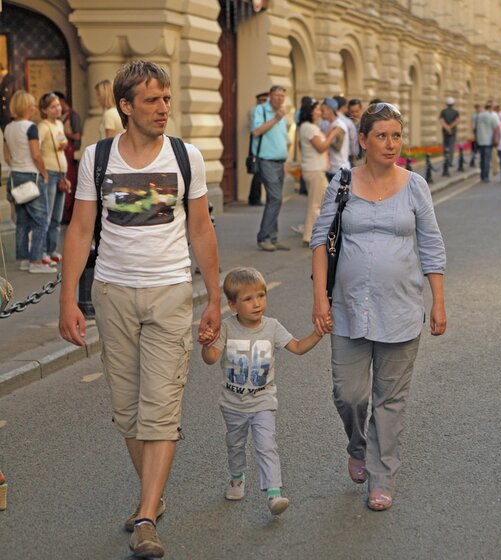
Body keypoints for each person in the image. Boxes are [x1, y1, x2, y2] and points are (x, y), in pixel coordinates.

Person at [58, 60, 221, 558]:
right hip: (112, 293)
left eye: (167, 98)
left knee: (161, 407)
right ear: (126, 106)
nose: (163, 108)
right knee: (127, 410)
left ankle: (146, 515)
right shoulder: (98, 157)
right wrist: (68, 300)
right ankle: (155, 494)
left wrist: (214, 296)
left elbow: (200, 229)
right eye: (152, 100)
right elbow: (82, 230)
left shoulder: (185, 156)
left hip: (171, 292)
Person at [311, 102, 447, 512]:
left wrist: (438, 301)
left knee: (391, 399)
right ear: (364, 141)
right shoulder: (343, 182)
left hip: (402, 309)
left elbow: (431, 245)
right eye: (382, 136)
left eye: (396, 136)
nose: (391, 144)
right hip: (349, 309)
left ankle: (382, 475)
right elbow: (320, 239)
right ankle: (358, 446)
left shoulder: (415, 186)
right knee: (348, 394)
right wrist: (321, 297)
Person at [200, 267, 324, 516]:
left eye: (261, 296)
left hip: (263, 401)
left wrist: (318, 333)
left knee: (266, 445)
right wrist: (206, 344)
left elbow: (298, 347)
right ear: (233, 305)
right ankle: (237, 478)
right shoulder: (226, 328)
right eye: (248, 299)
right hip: (232, 404)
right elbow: (211, 358)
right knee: (235, 444)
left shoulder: (272, 327)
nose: (257, 304)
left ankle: (274, 493)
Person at [3, 90, 54, 274]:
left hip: (15, 176)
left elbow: (6, 156)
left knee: (22, 221)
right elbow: (36, 155)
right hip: (31, 176)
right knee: (41, 221)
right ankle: (36, 261)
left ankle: (24, 259)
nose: (34, 107)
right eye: (32, 104)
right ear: (26, 106)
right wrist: (44, 173)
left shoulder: (8, 127)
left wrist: (17, 164)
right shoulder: (31, 127)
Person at [252, 85, 291, 252]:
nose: (280, 99)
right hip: (266, 160)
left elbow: (284, 140)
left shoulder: (282, 114)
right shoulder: (261, 110)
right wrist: (275, 118)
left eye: (282, 96)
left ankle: (273, 238)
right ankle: (264, 237)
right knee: (275, 198)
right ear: (270, 96)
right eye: (277, 95)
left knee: (273, 199)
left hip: (279, 162)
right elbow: (256, 131)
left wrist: (286, 162)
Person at [298, 100, 339, 248]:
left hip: (314, 169)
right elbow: (321, 147)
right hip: (314, 170)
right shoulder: (309, 128)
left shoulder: (308, 127)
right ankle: (309, 236)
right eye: (317, 110)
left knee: (320, 202)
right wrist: (333, 134)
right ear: (310, 111)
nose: (320, 112)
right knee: (316, 204)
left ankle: (314, 234)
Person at [37, 92, 71, 264]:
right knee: (47, 215)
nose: (57, 109)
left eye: (58, 105)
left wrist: (62, 145)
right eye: (53, 107)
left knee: (57, 217)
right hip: (49, 172)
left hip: (61, 173)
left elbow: (60, 142)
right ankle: (42, 252)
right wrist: (42, 171)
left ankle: (52, 250)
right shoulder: (42, 126)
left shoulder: (58, 123)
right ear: (44, 110)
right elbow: (36, 148)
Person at [57, 92, 83, 224]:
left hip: (71, 151)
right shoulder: (62, 116)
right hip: (63, 153)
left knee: (70, 180)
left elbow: (77, 136)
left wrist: (62, 131)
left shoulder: (73, 116)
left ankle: (69, 215)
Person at [248, 91, 269, 207]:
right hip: (258, 145)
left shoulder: (257, 110)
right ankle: (254, 198)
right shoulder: (257, 111)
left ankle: (255, 197)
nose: (264, 103)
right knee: (258, 173)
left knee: (258, 173)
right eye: (262, 100)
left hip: (259, 144)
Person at [321, 97, 350, 182]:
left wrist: (325, 140)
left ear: (330, 110)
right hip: (331, 169)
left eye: (322, 111)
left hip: (340, 170)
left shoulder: (339, 125)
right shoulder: (330, 124)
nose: (321, 113)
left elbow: (338, 147)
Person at [474, 102, 498, 182]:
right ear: (490, 108)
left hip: (480, 140)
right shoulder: (491, 116)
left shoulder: (479, 116)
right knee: (487, 159)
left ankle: (482, 175)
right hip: (488, 140)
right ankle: (486, 177)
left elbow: (475, 128)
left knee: (482, 158)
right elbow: (496, 127)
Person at [440, 97, 460, 169]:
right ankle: (450, 162)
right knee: (451, 146)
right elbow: (457, 121)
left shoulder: (443, 111)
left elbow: (441, 120)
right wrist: (450, 127)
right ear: (453, 104)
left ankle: (445, 160)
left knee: (445, 145)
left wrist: (447, 127)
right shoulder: (455, 112)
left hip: (445, 130)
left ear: (446, 104)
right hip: (453, 131)